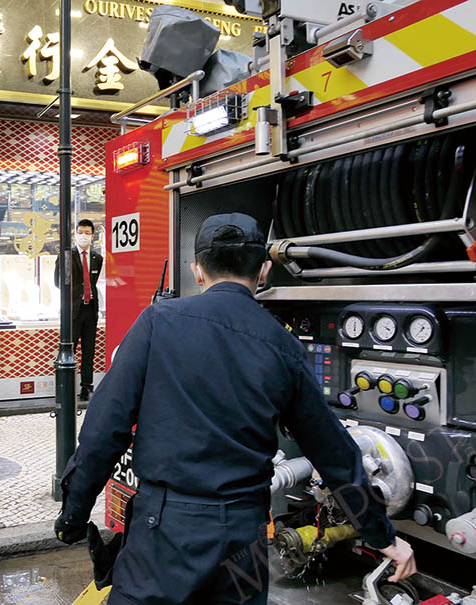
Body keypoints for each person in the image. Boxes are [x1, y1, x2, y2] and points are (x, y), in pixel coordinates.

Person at [54, 214, 416, 604]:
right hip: (245, 536)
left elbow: (103, 430)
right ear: (263, 270)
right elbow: (334, 452)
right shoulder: (283, 346)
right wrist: (382, 535)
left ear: (197, 271)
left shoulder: (157, 323)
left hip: (164, 532)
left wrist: (74, 514)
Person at [54, 219, 103, 401]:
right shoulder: (67, 255)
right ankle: (65, 387)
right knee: (68, 349)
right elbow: (58, 281)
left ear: (92, 235)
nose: (84, 236)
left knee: (89, 352)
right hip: (72, 311)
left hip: (90, 309)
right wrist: (77, 292)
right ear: (76, 234)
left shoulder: (97, 258)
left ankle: (86, 388)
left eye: (87, 233)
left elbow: (93, 282)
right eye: (80, 232)